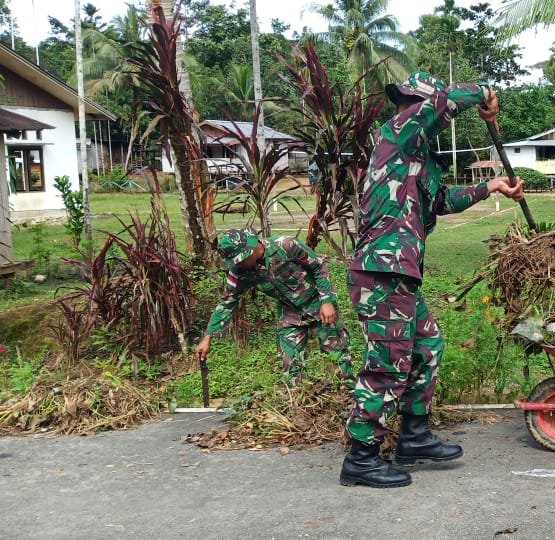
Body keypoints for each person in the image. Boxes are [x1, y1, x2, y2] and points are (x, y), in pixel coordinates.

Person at [340, 71, 524, 489]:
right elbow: (443, 103)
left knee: (427, 346)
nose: (414, 109)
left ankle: (414, 435)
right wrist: (486, 93)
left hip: (401, 272)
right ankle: (361, 457)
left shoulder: (419, 159)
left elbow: (442, 202)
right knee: (388, 363)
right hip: (380, 269)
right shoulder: (398, 131)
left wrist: (491, 186)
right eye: (413, 102)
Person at [196, 228, 352, 384]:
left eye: (241, 259)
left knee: (337, 357)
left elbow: (318, 268)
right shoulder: (240, 271)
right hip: (290, 314)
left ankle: (348, 394)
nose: (239, 264)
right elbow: (226, 303)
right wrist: (207, 337)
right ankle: (298, 401)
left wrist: (327, 301)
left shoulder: (286, 245)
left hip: (318, 304)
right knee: (291, 365)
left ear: (250, 248)